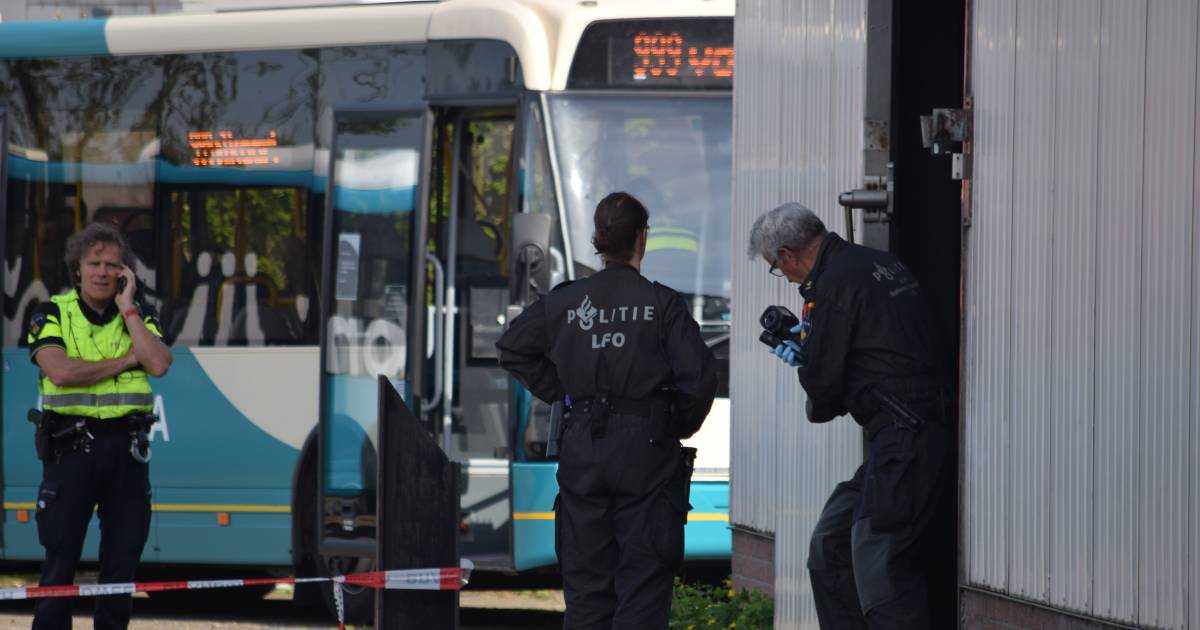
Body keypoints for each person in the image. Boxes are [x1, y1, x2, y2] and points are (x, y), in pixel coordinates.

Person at [497, 192, 718, 629]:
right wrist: (673, 423)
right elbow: (700, 378)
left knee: (586, 588)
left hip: (582, 447)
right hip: (647, 451)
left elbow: (511, 348)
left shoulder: (565, 301)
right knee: (643, 580)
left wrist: (564, 393)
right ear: (642, 238)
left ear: (597, 241)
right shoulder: (662, 303)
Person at [749, 202, 951, 629]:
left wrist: (809, 362)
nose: (783, 277)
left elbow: (823, 392)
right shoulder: (876, 264)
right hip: (900, 438)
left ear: (787, 254)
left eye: (775, 267)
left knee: (880, 558)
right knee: (830, 545)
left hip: (905, 439)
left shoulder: (834, 286)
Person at [27, 222, 173, 630]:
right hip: (70, 450)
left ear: (124, 272)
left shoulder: (139, 315)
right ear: (79, 267)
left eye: (113, 265)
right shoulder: (51, 312)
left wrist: (129, 307)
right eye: (95, 263)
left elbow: (158, 363)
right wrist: (127, 361)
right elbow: (60, 371)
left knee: (121, 566)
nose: (103, 272)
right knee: (60, 561)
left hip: (127, 454)